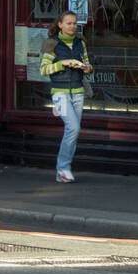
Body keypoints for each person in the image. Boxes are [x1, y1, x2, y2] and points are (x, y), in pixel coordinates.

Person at [40, 11, 93, 182]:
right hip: (60, 92)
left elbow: (87, 62)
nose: (72, 26)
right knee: (73, 128)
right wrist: (61, 64)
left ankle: (63, 170)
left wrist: (87, 68)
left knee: (73, 130)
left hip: (78, 91)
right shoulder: (52, 43)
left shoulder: (80, 43)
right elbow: (43, 69)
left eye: (74, 23)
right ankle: (63, 168)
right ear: (60, 24)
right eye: (69, 23)